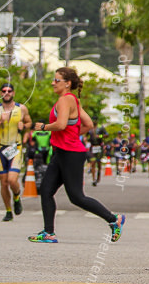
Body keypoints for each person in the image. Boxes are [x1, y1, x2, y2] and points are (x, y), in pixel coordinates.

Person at [29, 67, 125, 244]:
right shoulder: (73, 100)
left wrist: (43, 127)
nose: (53, 83)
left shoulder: (65, 100)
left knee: (76, 197)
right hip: (63, 152)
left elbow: (61, 124)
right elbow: (88, 124)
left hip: (71, 153)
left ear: (67, 83)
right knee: (46, 190)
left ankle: (113, 219)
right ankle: (48, 233)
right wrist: (72, 135)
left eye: (56, 80)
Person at [0, 83, 32, 221]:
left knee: (12, 180)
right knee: (4, 182)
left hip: (15, 148)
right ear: (0, 93)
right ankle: (8, 210)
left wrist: (24, 125)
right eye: (4, 91)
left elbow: (29, 123)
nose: (7, 93)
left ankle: (17, 197)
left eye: (9, 91)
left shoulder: (21, 108)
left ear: (13, 93)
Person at [30, 125, 53, 191]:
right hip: (48, 150)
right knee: (47, 167)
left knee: (38, 168)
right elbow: (51, 141)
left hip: (38, 152)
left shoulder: (35, 133)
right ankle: (47, 182)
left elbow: (32, 143)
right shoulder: (49, 132)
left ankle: (39, 183)